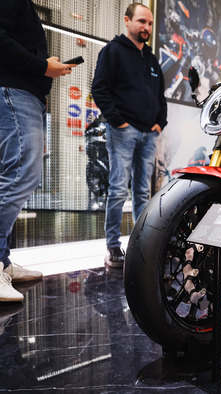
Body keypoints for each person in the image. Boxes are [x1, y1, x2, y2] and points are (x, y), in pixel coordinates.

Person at [0, 0, 77, 302]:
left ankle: (3, 261)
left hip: (22, 94)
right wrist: (43, 66)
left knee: (14, 175)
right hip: (14, 91)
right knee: (21, 175)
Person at [92, 3, 167, 268]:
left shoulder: (152, 59)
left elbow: (160, 96)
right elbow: (99, 89)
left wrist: (160, 123)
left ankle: (140, 244)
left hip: (149, 135)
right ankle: (113, 247)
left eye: (149, 23)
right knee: (117, 189)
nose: (146, 27)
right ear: (127, 21)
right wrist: (119, 122)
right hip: (124, 132)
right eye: (141, 22)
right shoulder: (112, 52)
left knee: (142, 191)